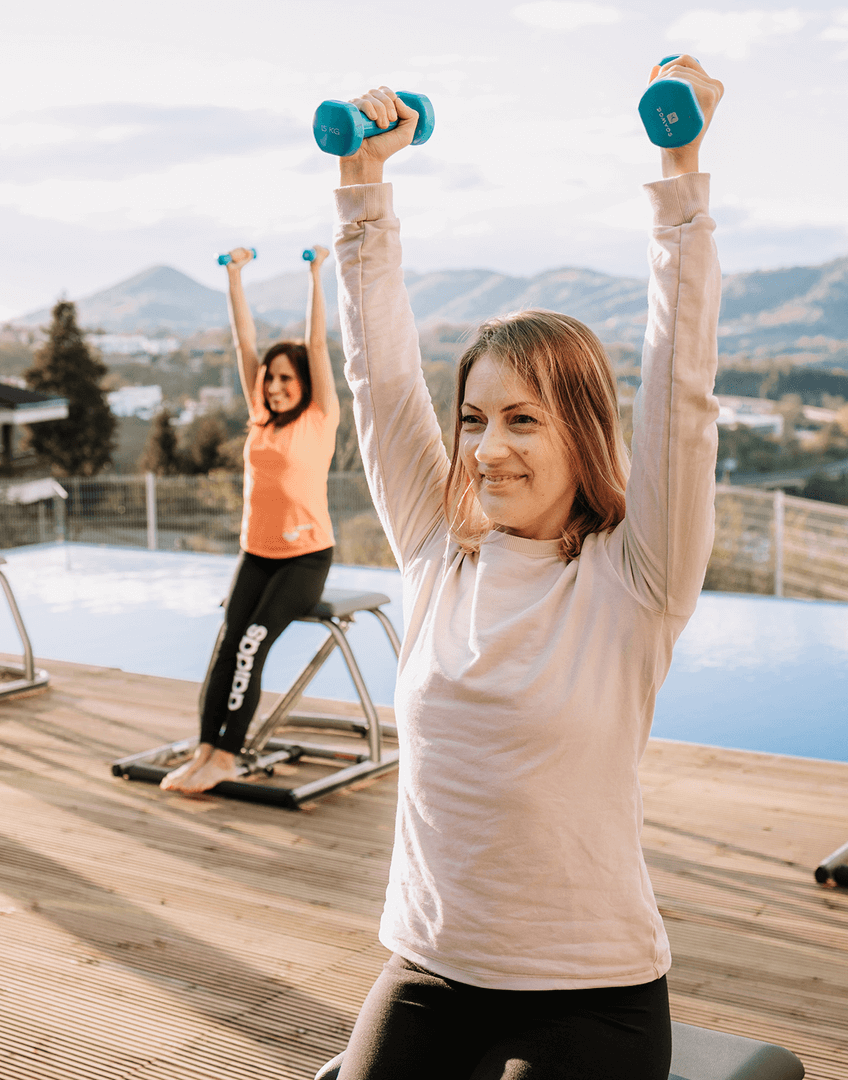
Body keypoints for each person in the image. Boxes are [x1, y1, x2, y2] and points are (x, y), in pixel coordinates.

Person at [327, 58, 722, 1080]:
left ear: (581, 431)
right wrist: (363, 190)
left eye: (520, 419)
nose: (485, 448)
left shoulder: (637, 580)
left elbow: (681, 392)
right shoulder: (436, 557)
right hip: (430, 970)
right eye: (472, 420)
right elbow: (378, 380)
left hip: (591, 992)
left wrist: (680, 174)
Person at [161, 245, 340, 794]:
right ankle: (204, 748)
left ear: (304, 382)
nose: (275, 386)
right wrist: (235, 278)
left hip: (305, 557)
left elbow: (315, 342)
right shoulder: (261, 418)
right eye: (269, 379)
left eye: (286, 378)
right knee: (226, 643)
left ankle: (227, 756)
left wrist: (316, 276)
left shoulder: (319, 416)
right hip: (255, 554)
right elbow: (244, 343)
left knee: (250, 642)